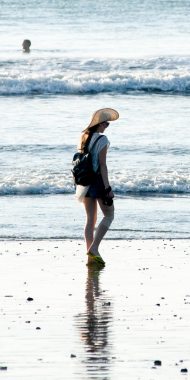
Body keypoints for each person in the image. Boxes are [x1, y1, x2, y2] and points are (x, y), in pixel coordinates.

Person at [77, 108, 119, 265]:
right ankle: (94, 248)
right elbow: (102, 164)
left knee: (90, 219)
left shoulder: (83, 137)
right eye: (106, 124)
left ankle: (90, 256)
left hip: (83, 181)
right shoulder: (102, 139)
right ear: (99, 124)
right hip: (97, 181)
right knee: (109, 215)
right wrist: (107, 188)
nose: (106, 126)